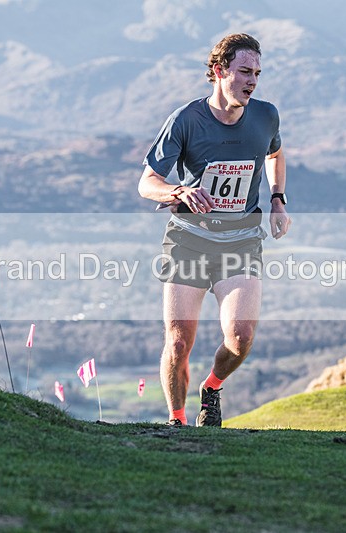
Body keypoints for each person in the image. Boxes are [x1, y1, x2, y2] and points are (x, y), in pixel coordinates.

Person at [138, 33, 290, 427]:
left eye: (257, 73)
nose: (252, 81)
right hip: (189, 240)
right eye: (244, 71)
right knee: (178, 342)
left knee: (241, 338)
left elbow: (275, 153)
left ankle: (212, 388)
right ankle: (177, 421)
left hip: (241, 240)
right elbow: (147, 182)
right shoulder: (186, 120)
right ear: (220, 71)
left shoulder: (266, 116)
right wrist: (180, 191)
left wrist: (277, 199)